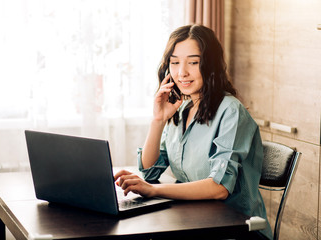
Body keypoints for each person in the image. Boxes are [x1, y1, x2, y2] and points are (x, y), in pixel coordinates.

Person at [114, 24, 272, 239]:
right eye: (175, 62)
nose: (182, 72)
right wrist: (158, 119)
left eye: (194, 62)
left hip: (235, 229)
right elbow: (150, 172)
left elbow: (219, 188)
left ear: (211, 65)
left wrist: (153, 191)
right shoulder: (183, 108)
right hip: (194, 221)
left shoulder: (231, 111)